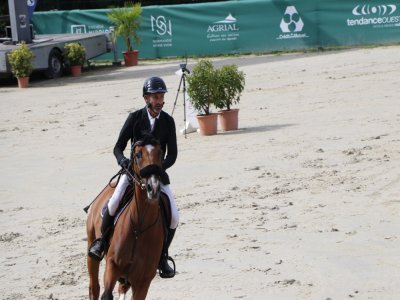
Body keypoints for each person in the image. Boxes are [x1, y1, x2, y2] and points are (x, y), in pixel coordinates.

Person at [88, 76, 179, 278]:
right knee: (112, 204)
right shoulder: (135, 118)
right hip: (132, 173)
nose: (160, 101)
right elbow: (117, 147)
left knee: (173, 215)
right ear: (147, 98)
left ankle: (163, 256)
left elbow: (172, 154)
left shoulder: (168, 122)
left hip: (156, 177)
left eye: (162, 96)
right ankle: (102, 243)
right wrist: (122, 161)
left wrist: (158, 167)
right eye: (156, 97)